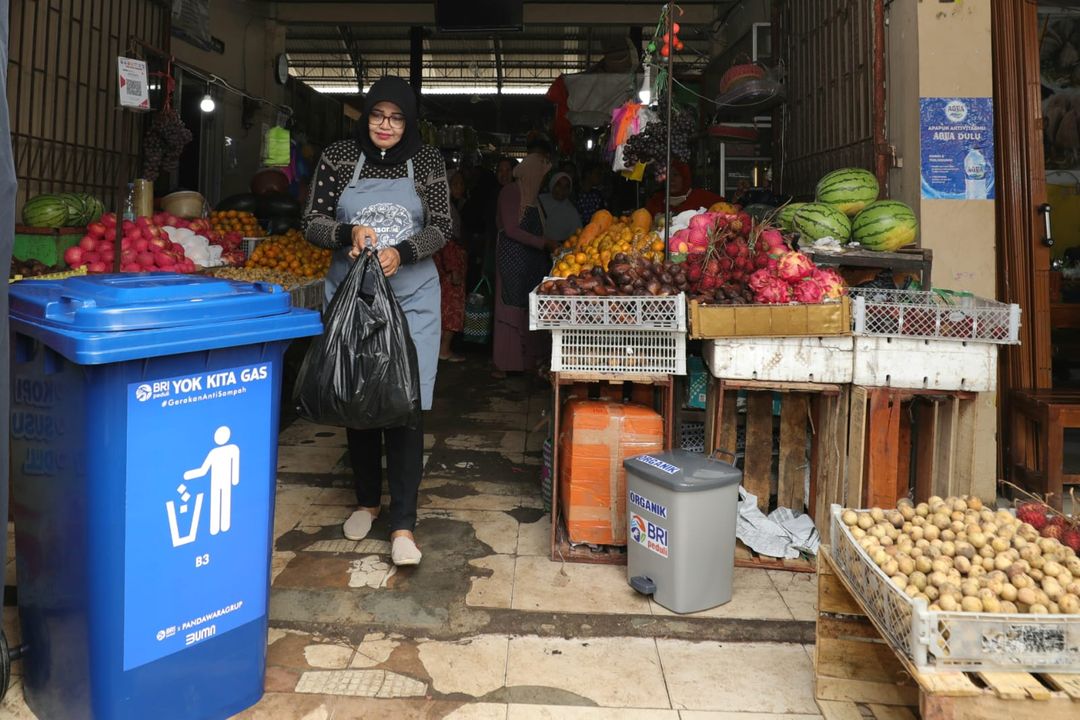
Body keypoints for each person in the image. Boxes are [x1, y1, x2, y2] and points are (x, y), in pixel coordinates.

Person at [302, 75, 452, 567]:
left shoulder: (426, 160)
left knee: (405, 403)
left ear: (408, 121)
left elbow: (442, 226)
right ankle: (367, 500)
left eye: (396, 117)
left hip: (411, 298)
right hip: (354, 297)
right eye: (376, 115)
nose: (385, 126)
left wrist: (402, 251)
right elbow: (312, 221)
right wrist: (347, 231)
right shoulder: (340, 157)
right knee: (358, 395)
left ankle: (403, 525)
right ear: (365, 116)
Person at [493, 151, 557, 378]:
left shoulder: (534, 196)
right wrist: (544, 243)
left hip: (531, 260)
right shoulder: (511, 191)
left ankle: (526, 362)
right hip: (512, 259)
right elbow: (511, 229)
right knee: (511, 307)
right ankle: (504, 363)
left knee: (528, 307)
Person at [435, 170, 468, 362]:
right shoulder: (445, 209)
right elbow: (447, 241)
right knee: (450, 309)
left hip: (449, 264)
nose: (459, 188)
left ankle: (439, 349)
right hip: (449, 266)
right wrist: (454, 268)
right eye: (454, 184)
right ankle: (444, 350)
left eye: (461, 184)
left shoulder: (453, 206)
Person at [645, 161, 725, 216]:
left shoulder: (702, 197)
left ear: (685, 178)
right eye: (667, 175)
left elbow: (726, 208)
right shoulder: (656, 201)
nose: (671, 179)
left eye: (675, 175)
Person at [538, 172, 581, 245]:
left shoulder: (572, 211)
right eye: (559, 185)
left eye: (566, 187)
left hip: (559, 250)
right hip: (536, 246)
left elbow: (577, 235)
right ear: (552, 185)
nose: (562, 189)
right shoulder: (539, 201)